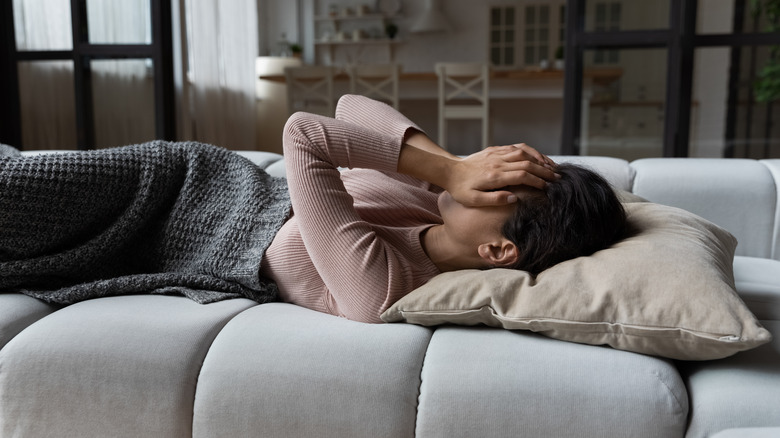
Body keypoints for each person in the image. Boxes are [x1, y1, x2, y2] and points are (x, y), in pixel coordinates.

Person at [261, 94, 627, 323]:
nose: (481, 177)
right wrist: (454, 166)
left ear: (498, 249)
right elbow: (350, 107)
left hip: (210, 226)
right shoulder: (435, 201)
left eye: (496, 186)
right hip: (227, 174)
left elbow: (303, 132)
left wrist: (451, 171)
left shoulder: (381, 284)